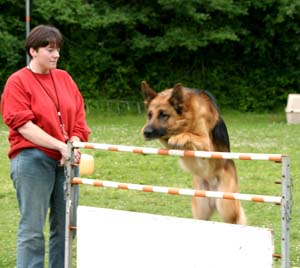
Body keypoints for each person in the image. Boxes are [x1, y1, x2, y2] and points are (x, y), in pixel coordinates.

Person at [1, 25, 90, 268]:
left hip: (67, 161)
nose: (56, 55)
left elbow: (79, 118)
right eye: (50, 50)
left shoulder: (65, 78)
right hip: (31, 160)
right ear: (33, 51)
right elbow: (23, 125)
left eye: (58, 50)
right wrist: (60, 146)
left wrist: (73, 142)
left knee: (66, 226)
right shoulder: (17, 82)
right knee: (32, 229)